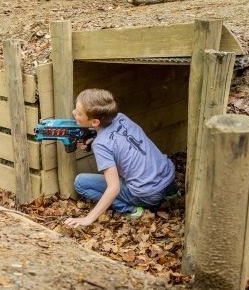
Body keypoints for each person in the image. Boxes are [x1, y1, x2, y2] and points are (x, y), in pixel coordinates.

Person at [64, 88, 177, 228]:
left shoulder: (100, 144)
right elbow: (116, 137)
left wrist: (88, 219)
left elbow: (114, 188)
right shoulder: (121, 117)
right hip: (168, 178)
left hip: (148, 194)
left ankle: (131, 210)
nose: (73, 113)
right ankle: (173, 194)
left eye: (78, 113)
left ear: (95, 122)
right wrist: (93, 138)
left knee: (80, 183)